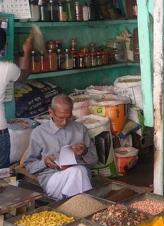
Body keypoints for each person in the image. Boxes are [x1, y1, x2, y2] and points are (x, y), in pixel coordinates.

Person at [25, 94, 98, 200]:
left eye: (68, 117)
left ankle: (68, 203)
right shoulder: (39, 133)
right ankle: (81, 203)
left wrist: (85, 152)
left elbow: (94, 161)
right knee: (78, 171)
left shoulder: (80, 129)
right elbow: (29, 165)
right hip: (53, 179)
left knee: (79, 171)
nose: (64, 122)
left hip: (80, 178)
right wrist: (44, 162)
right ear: (50, 112)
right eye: (61, 117)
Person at [0, 28, 32, 169]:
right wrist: (27, 52)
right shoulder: (6, 68)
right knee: (2, 179)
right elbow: (24, 75)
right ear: (4, 46)